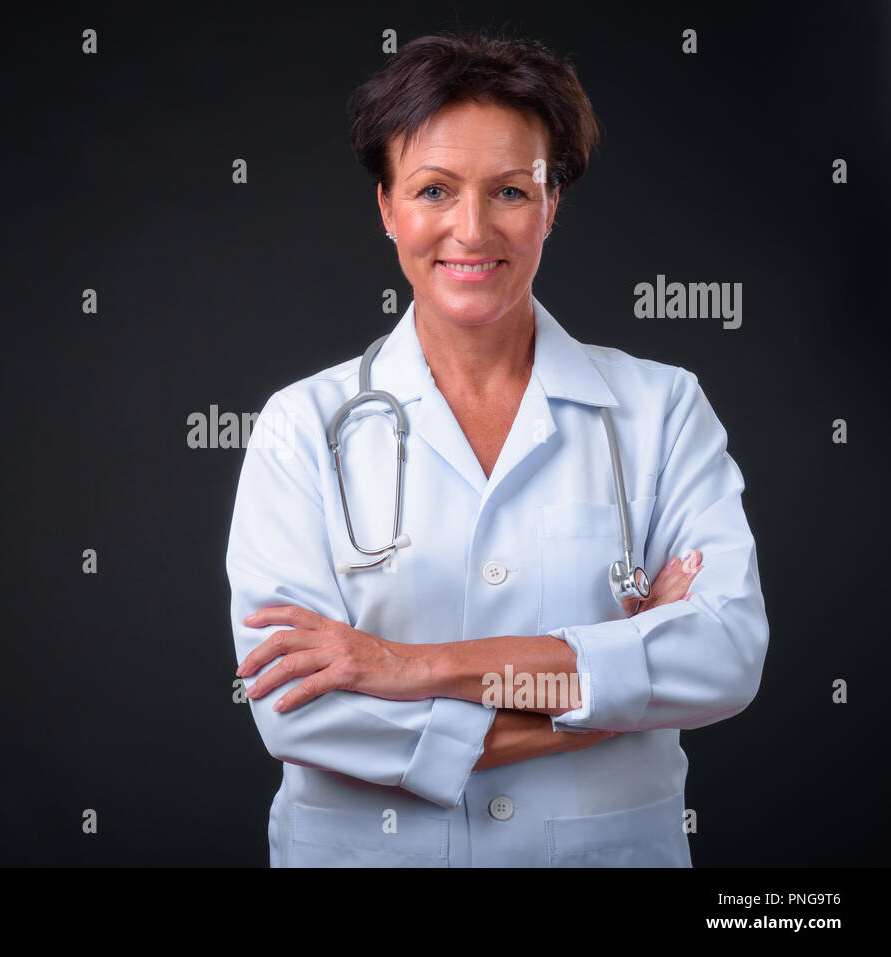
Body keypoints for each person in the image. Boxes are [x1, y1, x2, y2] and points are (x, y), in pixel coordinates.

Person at [225, 29, 769, 867]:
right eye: (434, 189)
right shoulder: (303, 427)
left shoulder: (661, 408)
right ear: (386, 206)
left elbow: (724, 659)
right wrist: (623, 688)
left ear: (552, 203)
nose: (471, 231)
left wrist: (408, 666)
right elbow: (300, 712)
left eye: (511, 191)